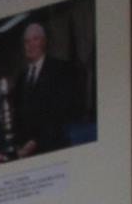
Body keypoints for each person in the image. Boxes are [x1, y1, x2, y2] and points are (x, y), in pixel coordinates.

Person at [13, 20, 83, 157]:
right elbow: (19, 115)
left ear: (44, 42)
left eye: (35, 39)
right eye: (26, 42)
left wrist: (36, 141)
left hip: (54, 147)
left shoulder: (61, 69)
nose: (30, 45)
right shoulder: (21, 78)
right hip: (27, 152)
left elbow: (64, 111)